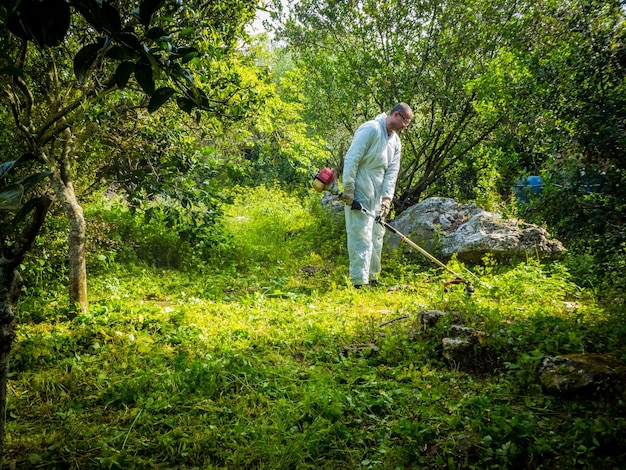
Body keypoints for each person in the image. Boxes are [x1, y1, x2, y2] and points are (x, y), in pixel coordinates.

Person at [340, 102, 413, 289]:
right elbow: (352, 158)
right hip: (360, 188)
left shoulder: (395, 142)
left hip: (378, 193)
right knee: (360, 234)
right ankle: (359, 281)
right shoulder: (371, 129)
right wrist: (348, 187)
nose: (406, 126)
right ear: (396, 115)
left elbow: (392, 173)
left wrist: (387, 199)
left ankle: (372, 277)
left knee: (376, 235)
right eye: (405, 121)